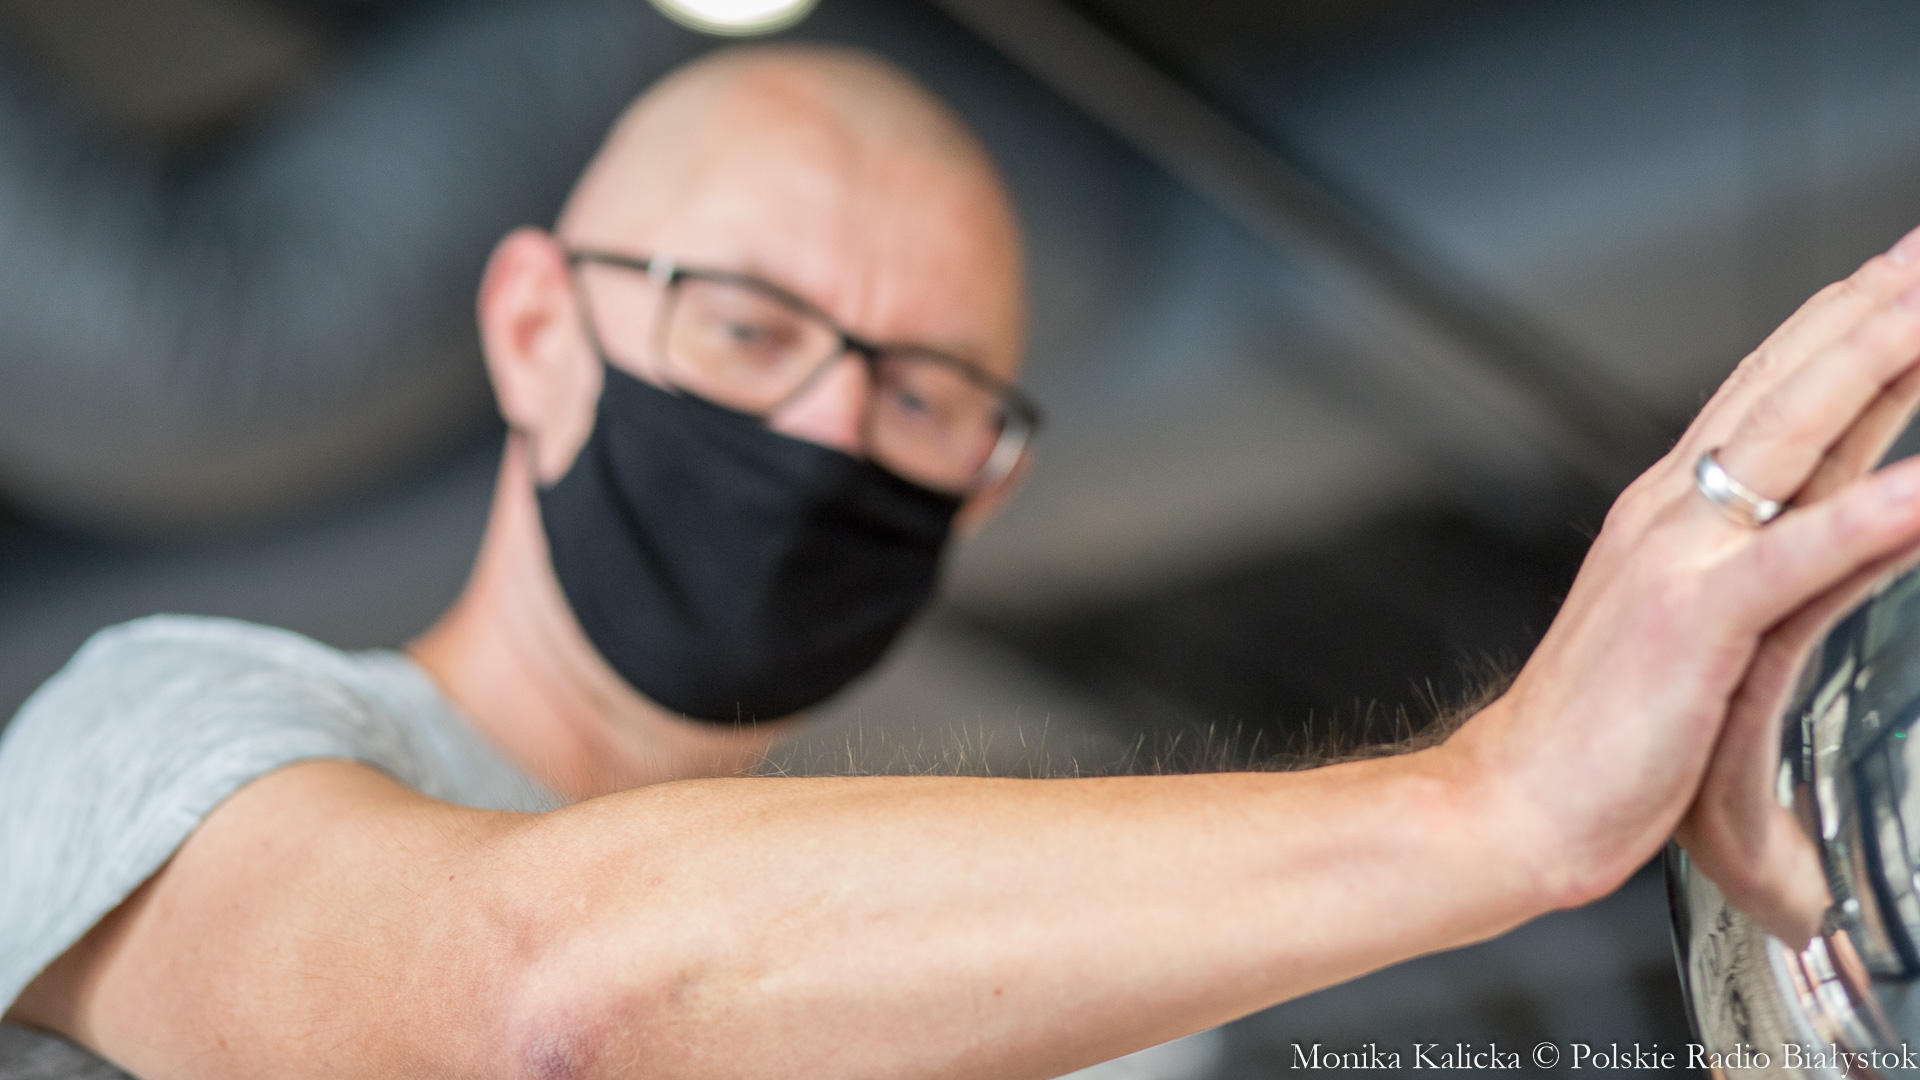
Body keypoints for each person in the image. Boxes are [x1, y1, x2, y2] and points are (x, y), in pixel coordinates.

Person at [1, 42, 1913, 1079]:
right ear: (533, 333)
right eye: (746, 328)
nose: (827, 435)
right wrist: (1491, 806)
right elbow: (538, 1009)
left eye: (922, 395)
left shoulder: (1048, 1010)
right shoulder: (162, 724)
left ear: (982, 490)